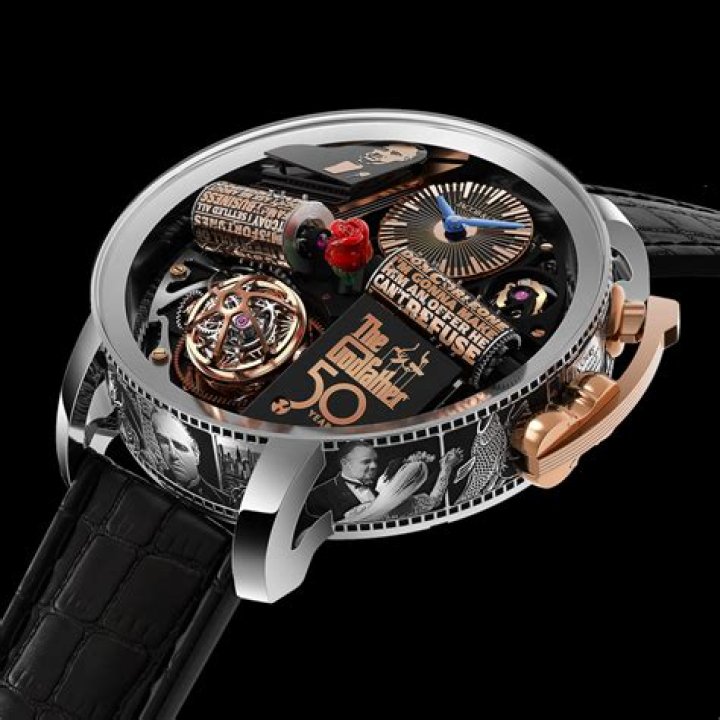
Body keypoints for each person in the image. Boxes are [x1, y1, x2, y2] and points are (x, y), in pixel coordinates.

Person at [149, 410, 232, 506]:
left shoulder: (224, 501)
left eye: (180, 446)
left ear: (196, 453)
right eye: (163, 442)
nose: (173, 455)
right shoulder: (154, 473)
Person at [304, 441, 380, 523]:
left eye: (375, 461)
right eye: (366, 461)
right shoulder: (318, 496)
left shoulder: (383, 485)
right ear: (345, 463)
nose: (374, 466)